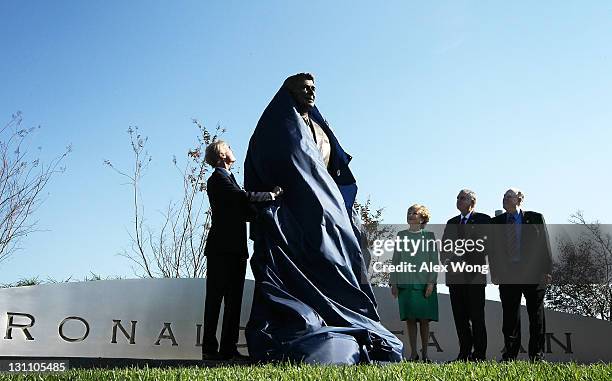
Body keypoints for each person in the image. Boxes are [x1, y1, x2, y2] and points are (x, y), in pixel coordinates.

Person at [243, 73, 403, 364]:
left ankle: (348, 319)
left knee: (349, 255)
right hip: (296, 217)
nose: (311, 93)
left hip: (331, 214)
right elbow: (275, 167)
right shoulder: (276, 127)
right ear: (290, 92)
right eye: (304, 89)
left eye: (313, 89)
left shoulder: (320, 127)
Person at [202, 140, 282, 361]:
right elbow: (242, 199)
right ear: (221, 154)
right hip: (220, 250)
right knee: (215, 299)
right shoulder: (217, 180)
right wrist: (270, 195)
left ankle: (228, 349)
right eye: (229, 148)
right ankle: (209, 349)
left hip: (236, 249)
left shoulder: (230, 179)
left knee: (233, 301)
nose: (232, 150)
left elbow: (246, 210)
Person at [489, 188, 552, 362]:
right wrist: (494, 273)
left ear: (519, 199)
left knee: (536, 315)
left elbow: (544, 245)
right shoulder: (496, 222)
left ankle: (537, 356)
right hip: (508, 275)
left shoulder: (535, 218)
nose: (505, 199)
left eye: (509, 196)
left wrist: (546, 271)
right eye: (504, 196)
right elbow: (492, 251)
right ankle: (509, 355)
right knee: (510, 317)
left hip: (533, 273)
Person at [441, 189, 490, 361]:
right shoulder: (452, 222)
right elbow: (444, 248)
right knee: (460, 319)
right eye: (457, 198)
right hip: (455, 277)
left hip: (474, 275)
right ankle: (464, 354)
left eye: (462, 198)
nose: (458, 200)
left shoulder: (484, 220)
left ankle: (479, 355)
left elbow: (487, 245)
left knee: (477, 317)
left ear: (472, 201)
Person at [390, 204, 439, 362]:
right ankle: (413, 354)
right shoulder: (401, 235)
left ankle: (425, 355)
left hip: (425, 284)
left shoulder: (429, 236)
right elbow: (396, 260)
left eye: (415, 213)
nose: (411, 215)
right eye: (409, 212)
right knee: (410, 319)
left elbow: (434, 261)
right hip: (406, 285)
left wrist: (431, 283)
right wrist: (394, 282)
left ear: (423, 217)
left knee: (424, 320)